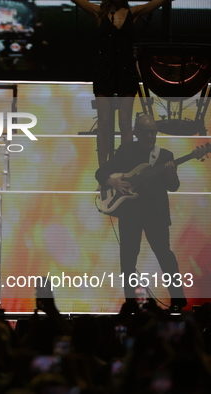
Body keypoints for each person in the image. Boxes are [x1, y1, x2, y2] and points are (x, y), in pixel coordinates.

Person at [95, 114, 187, 311]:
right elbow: (101, 172)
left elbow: (174, 186)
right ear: (136, 133)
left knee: (165, 257)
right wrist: (112, 181)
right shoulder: (126, 151)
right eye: (146, 132)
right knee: (128, 261)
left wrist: (171, 174)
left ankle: (178, 300)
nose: (150, 136)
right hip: (130, 215)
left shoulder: (165, 156)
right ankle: (131, 304)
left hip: (157, 215)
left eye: (153, 132)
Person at [71, 0, 172, 165]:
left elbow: (155, 3)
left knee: (125, 121)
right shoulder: (99, 13)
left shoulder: (134, 12)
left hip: (126, 70)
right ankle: (103, 170)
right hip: (105, 70)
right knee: (104, 122)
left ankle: (125, 167)